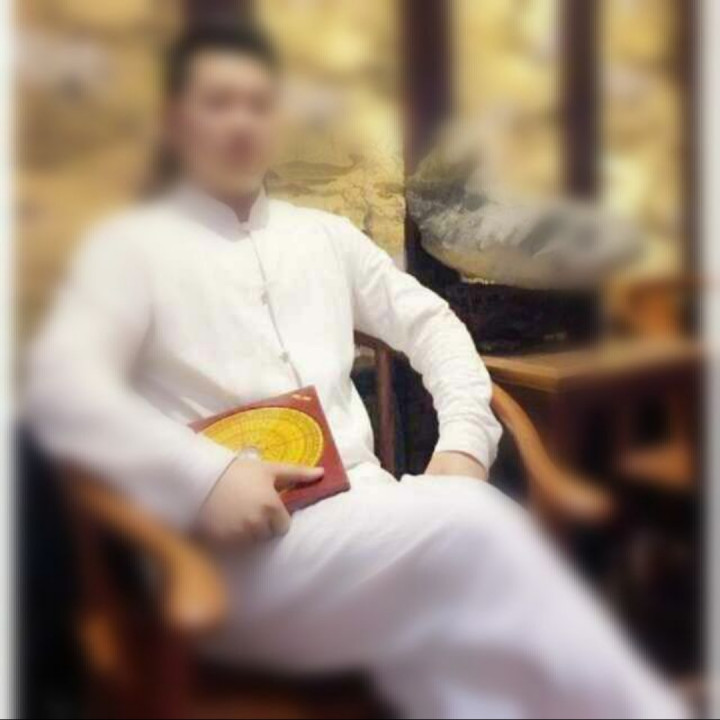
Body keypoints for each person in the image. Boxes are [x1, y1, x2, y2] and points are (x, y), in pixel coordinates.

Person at [26, 25, 687, 719]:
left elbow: (434, 326)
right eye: (218, 103)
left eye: (258, 104)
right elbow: (64, 391)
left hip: (378, 527)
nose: (241, 122)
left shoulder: (323, 237)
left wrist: (464, 444)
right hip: (235, 562)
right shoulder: (129, 251)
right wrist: (202, 476)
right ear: (174, 121)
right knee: (478, 532)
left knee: (463, 648)